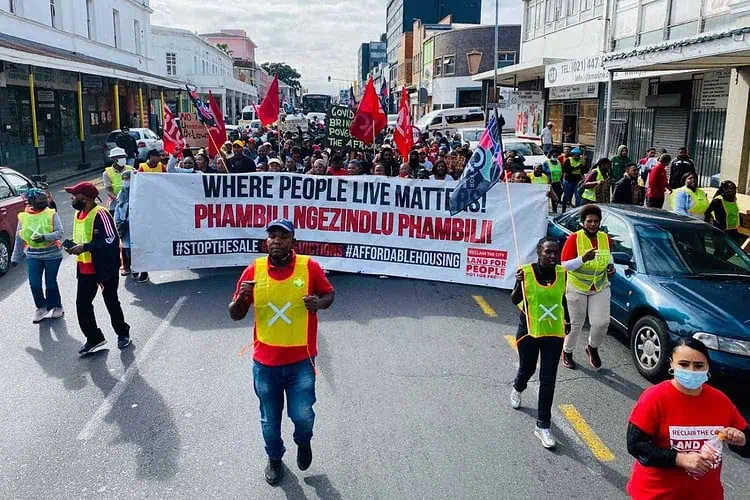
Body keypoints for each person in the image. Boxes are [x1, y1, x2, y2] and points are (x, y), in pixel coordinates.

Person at [228, 219, 335, 486]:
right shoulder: (254, 270)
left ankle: (303, 442)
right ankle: (274, 458)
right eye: (272, 236)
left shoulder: (309, 267)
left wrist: (318, 303)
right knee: (270, 420)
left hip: (301, 362)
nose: (277, 241)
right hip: (265, 365)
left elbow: (329, 294)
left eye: (283, 237)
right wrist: (242, 297)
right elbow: (235, 314)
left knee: (303, 415)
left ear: (293, 242)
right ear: (266, 241)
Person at [626, 338, 749, 500]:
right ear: (671, 364)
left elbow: (747, 443)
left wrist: (741, 440)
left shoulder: (720, 401)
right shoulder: (654, 398)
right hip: (657, 494)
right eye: (683, 364)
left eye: (698, 366)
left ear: (707, 367)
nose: (691, 371)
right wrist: (679, 459)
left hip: (705, 494)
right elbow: (636, 445)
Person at [510, 237, 569, 449]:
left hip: (553, 333)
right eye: (548, 252)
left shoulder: (562, 273)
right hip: (529, 331)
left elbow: (562, 298)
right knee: (527, 369)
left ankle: (543, 425)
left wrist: (568, 320)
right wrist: (519, 283)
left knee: (548, 379)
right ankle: (518, 387)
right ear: (538, 252)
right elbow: (515, 299)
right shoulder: (526, 272)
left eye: (555, 252)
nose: (552, 256)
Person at [63, 182, 131, 355]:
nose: (71, 198)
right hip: (85, 267)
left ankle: (122, 333)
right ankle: (94, 337)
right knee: (82, 304)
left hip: (105, 266)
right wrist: (74, 247)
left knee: (111, 301)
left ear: (85, 198)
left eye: (74, 195)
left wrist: (85, 247)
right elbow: (82, 238)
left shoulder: (101, 213)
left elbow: (111, 240)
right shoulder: (78, 214)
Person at [560, 204, 615, 371]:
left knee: (601, 323)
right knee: (575, 324)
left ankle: (592, 347)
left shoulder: (605, 238)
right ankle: (567, 351)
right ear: (582, 222)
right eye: (589, 221)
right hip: (577, 286)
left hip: (599, 285)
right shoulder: (574, 239)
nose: (592, 224)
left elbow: (609, 257)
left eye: (596, 221)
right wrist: (582, 259)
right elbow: (565, 265)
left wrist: (611, 266)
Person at [10, 188, 64, 322]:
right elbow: (19, 238)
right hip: (33, 255)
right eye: (38, 200)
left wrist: (44, 237)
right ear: (30, 202)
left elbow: (59, 233)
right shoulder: (23, 217)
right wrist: (15, 257)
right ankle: (41, 307)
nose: (42, 202)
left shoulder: (51, 213)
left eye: (43, 199)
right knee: (34, 284)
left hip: (52, 254)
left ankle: (56, 306)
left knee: (50, 284)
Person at [113, 171, 148, 283]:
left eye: (128, 178)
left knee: (140, 249)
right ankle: (135, 267)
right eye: (124, 179)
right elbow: (118, 208)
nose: (125, 181)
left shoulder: (140, 192)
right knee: (128, 250)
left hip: (138, 227)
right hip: (125, 227)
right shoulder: (121, 193)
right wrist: (118, 222)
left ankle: (144, 271)